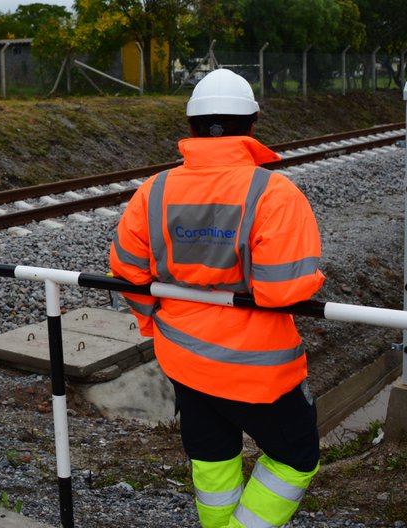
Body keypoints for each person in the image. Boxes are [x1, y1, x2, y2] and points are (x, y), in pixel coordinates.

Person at [109, 68, 325, 528]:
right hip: (259, 367)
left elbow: (128, 274)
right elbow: (281, 289)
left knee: (213, 457)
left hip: (183, 354)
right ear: (251, 125)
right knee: (296, 458)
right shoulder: (274, 193)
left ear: (190, 128)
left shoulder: (154, 191)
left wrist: (158, 324)